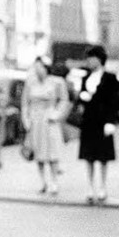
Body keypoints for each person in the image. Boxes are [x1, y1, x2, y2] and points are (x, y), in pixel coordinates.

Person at [21, 55, 68, 196]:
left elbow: (64, 100)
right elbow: (25, 104)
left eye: (40, 67)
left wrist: (57, 114)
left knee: (53, 151)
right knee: (38, 151)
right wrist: (26, 120)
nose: (38, 70)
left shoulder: (57, 82)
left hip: (49, 119)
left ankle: (54, 181)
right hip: (35, 120)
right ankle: (43, 181)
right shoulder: (30, 83)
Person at [78, 44, 118, 205]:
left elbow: (114, 101)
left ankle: (102, 185)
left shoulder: (110, 78)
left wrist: (110, 121)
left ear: (99, 59)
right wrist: (82, 96)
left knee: (102, 156)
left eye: (91, 58)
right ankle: (89, 186)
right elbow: (80, 100)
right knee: (88, 156)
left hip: (103, 121)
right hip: (89, 121)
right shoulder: (85, 78)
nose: (88, 61)